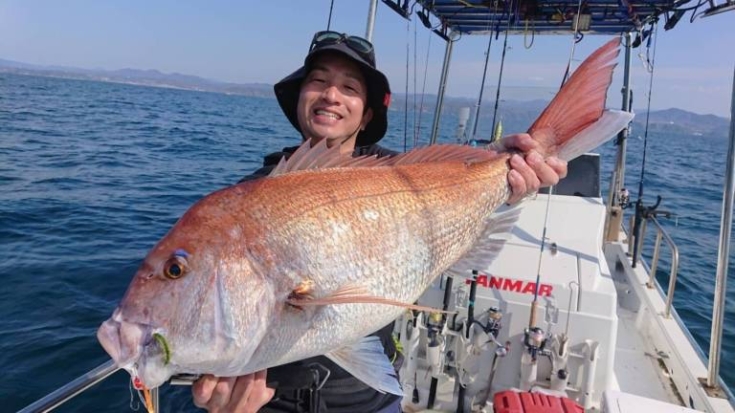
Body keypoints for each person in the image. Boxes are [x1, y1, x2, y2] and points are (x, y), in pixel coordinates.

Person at [192, 30, 567, 413]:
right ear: (300, 97)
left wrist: (505, 167)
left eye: (349, 87)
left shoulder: (398, 173)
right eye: (318, 81)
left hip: (369, 400)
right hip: (272, 404)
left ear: (367, 113)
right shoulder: (252, 196)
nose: (331, 94)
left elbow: (451, 182)